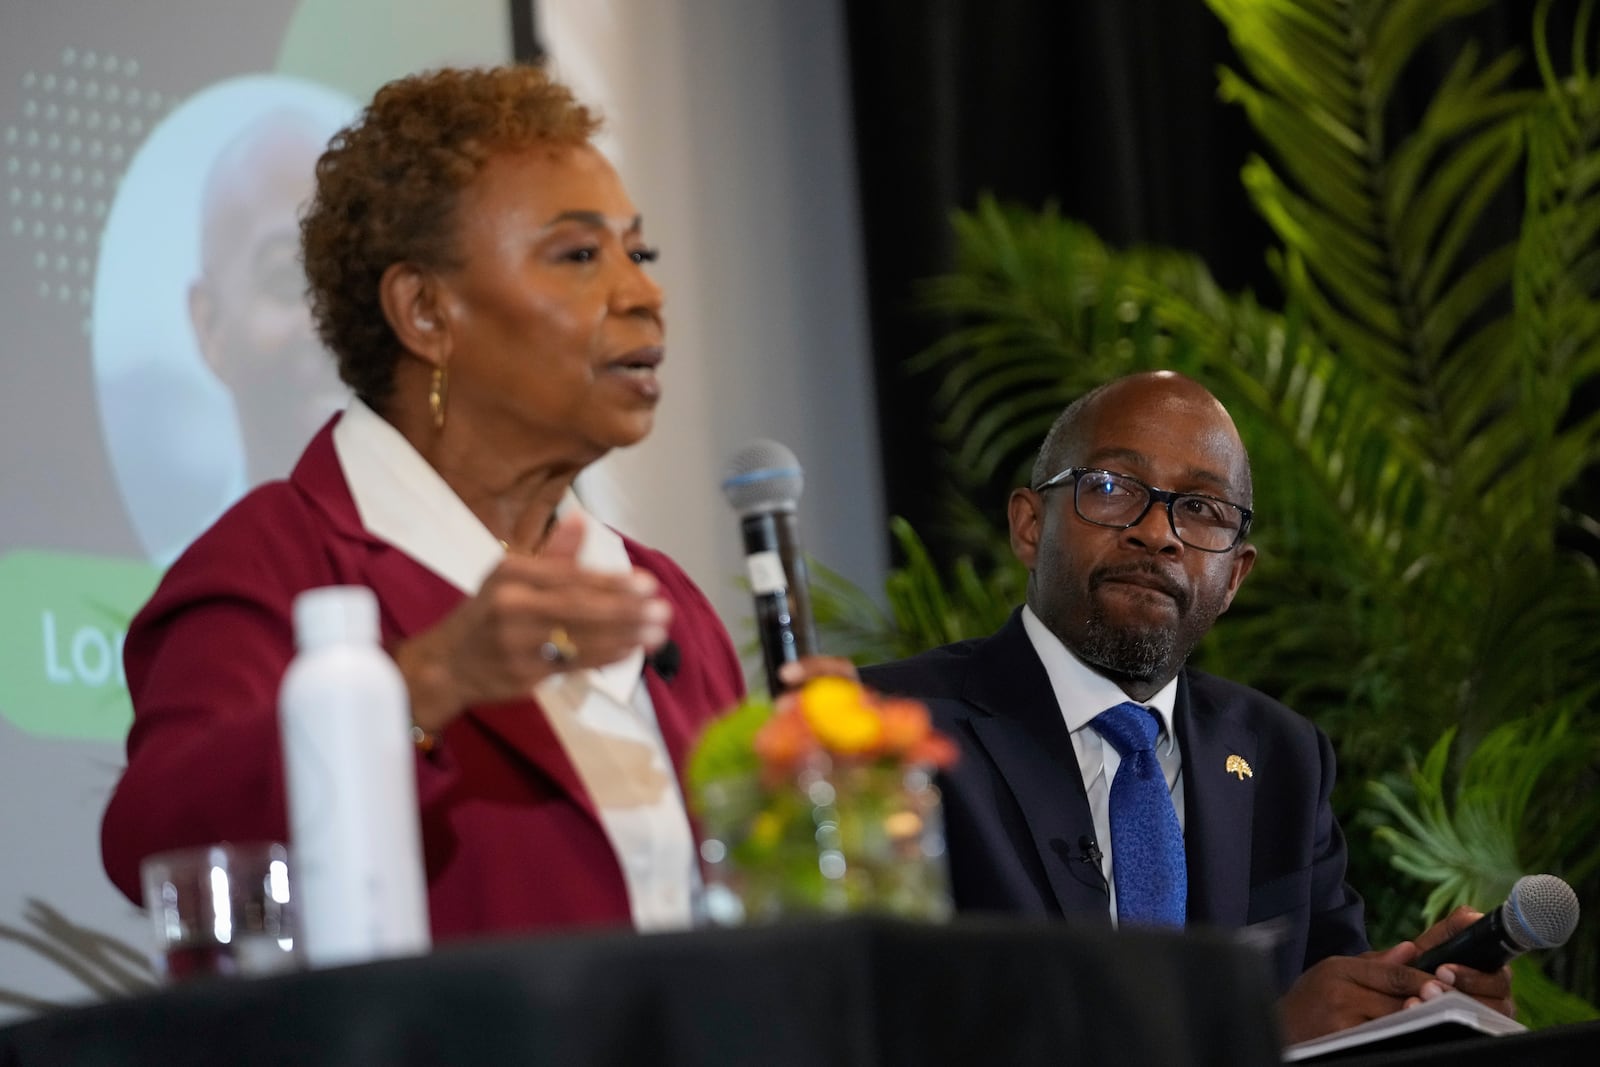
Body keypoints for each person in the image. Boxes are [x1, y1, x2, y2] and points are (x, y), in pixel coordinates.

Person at [101, 65, 748, 939]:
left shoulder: (665, 602)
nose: (642, 292)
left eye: (639, 252)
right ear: (424, 311)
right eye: (578, 255)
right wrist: (425, 684)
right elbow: (155, 840)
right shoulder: (273, 565)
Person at [853, 370, 1514, 1044]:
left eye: (1202, 510)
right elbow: (877, 1026)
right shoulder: (885, 730)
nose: (1158, 532)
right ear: (1029, 524)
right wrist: (1254, 1037)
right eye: (1112, 489)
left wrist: (1415, 1003)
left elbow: (1329, 1011)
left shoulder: (1284, 757)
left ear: (1235, 575)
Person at [188, 107, 351, 488]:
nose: (332, 325)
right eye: (284, 278)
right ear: (210, 326)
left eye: (354, 280)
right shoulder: (211, 550)